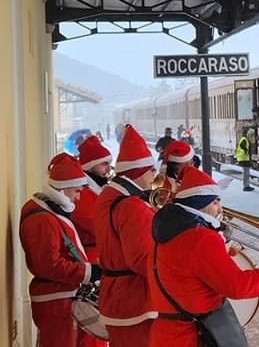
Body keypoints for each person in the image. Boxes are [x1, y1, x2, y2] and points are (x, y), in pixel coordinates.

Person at [149, 165, 259, 347]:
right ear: (199, 203)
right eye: (215, 202)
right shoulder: (201, 238)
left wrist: (222, 249)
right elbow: (237, 286)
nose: (220, 209)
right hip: (195, 335)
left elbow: (185, 268)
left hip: (167, 334)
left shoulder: (167, 232)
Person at [19, 153, 98, 347]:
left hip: (60, 295)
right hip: (56, 299)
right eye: (77, 191)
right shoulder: (41, 219)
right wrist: (88, 272)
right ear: (64, 188)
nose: (78, 198)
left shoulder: (46, 211)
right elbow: (48, 265)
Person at [93, 124, 157, 346]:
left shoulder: (107, 196)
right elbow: (142, 259)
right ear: (138, 172)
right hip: (135, 301)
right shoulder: (132, 206)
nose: (154, 176)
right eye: (151, 170)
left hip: (116, 297)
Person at [72, 135, 113, 259]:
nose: (109, 168)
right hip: (91, 255)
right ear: (89, 166)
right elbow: (97, 226)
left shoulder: (98, 188)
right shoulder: (82, 193)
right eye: (104, 164)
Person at [235, 126, 254, 191]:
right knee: (246, 173)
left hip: (243, 158)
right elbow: (242, 145)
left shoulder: (243, 139)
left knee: (246, 173)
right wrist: (246, 151)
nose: (251, 136)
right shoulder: (244, 139)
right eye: (250, 134)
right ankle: (246, 186)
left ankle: (246, 185)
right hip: (244, 158)